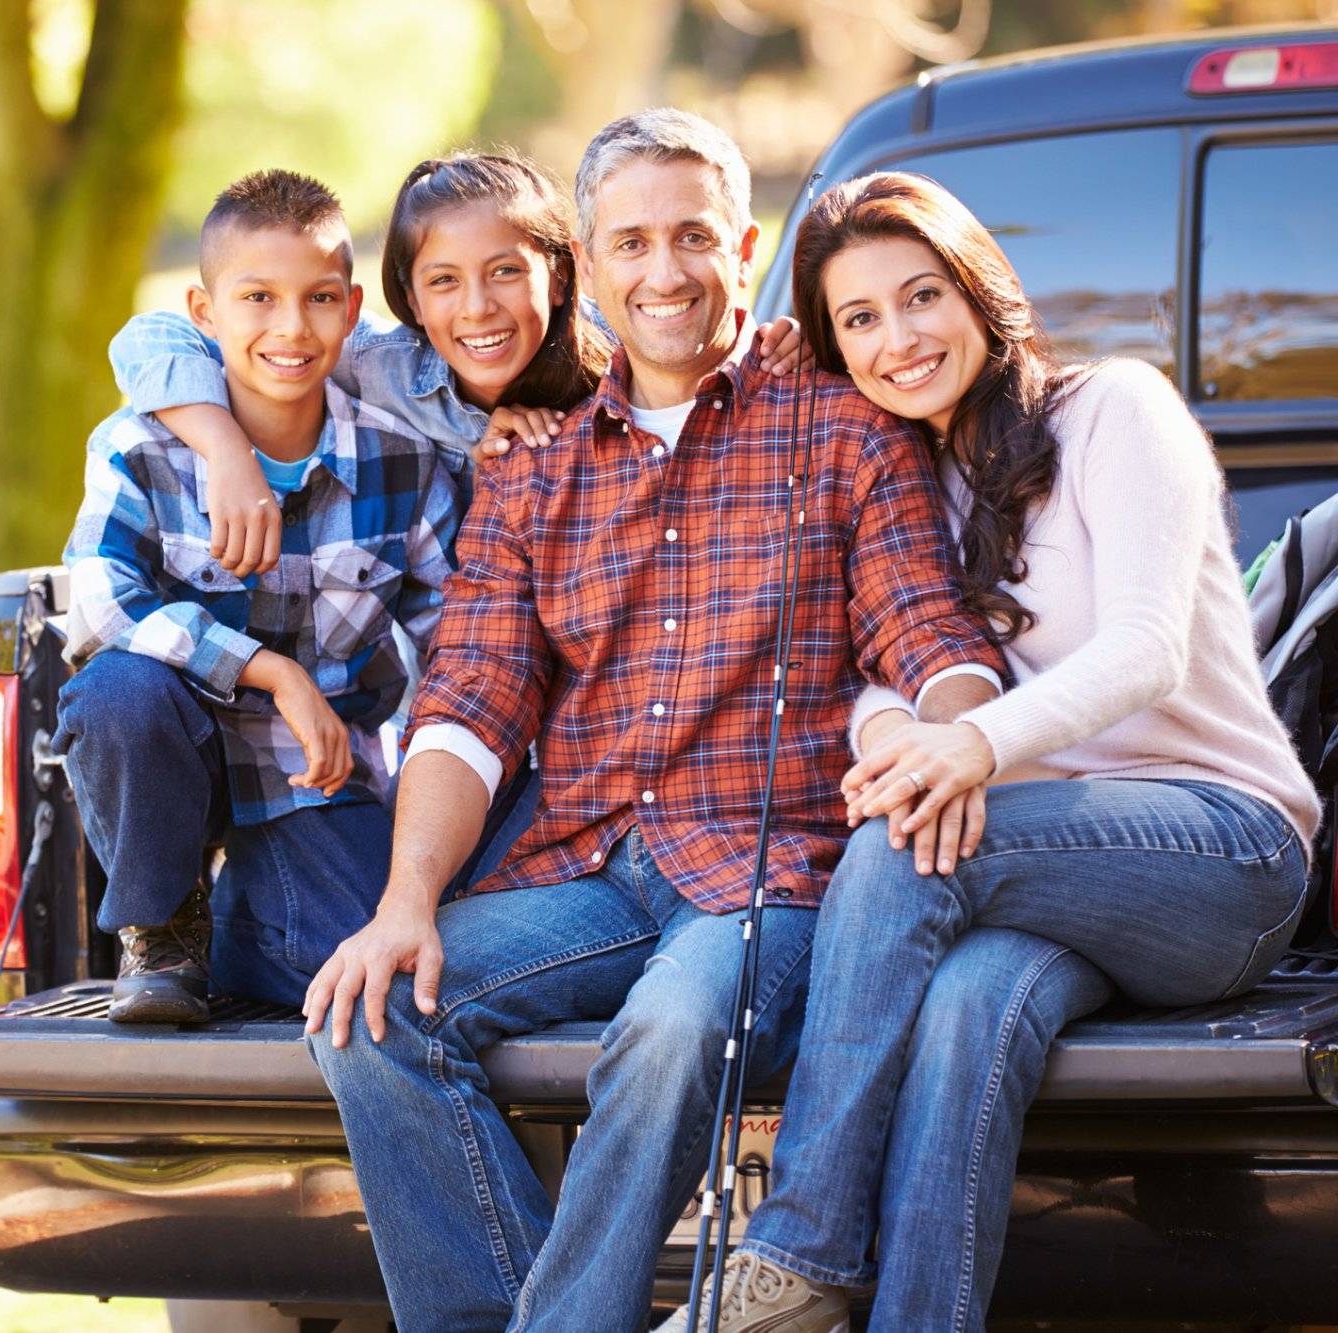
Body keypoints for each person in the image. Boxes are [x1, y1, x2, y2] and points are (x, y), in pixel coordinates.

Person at [299, 112, 1008, 1332]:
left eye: (691, 235)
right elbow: (468, 703)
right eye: (630, 242)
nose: (664, 270)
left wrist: (961, 736)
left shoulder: (843, 432)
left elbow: (927, 633)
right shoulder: (533, 470)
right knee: (366, 1018)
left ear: (741, 244)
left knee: (669, 1027)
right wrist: (406, 903)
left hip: (769, 877)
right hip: (590, 869)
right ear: (590, 261)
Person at [681, 172, 1320, 1333]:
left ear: (977, 289)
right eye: (857, 320)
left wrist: (965, 746)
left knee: (893, 852)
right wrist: (901, 744)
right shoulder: (903, 482)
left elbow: (1144, 650)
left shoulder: (1113, 410)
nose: (897, 338)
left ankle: (803, 1246)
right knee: (973, 1001)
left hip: (1216, 850)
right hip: (1035, 871)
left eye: (918, 295)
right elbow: (874, 677)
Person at [55, 169, 460, 1023]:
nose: (290, 327)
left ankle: (242, 929)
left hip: (314, 776)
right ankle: (164, 927)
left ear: (352, 312)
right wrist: (273, 671)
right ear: (205, 315)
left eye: (318, 299)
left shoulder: (399, 459)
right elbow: (96, 600)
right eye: (257, 298)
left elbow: (455, 635)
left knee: (368, 972)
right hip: (179, 753)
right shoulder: (142, 447)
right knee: (119, 688)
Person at [106, 149, 808, 578]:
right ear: (407, 295)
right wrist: (225, 451)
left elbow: (704, 340)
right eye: (443, 281)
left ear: (562, 276)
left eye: (506, 272)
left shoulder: (621, 347)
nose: (477, 309)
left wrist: (777, 347)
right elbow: (149, 338)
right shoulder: (372, 364)